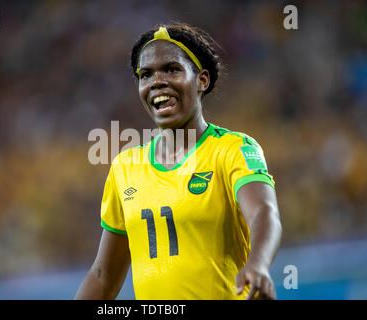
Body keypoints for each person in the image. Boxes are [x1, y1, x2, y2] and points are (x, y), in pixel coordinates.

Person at [75, 22, 282, 300]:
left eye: (172, 69)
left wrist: (258, 265)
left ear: (202, 80)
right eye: (145, 74)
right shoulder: (125, 167)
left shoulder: (233, 149)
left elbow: (264, 212)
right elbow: (103, 276)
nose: (157, 81)